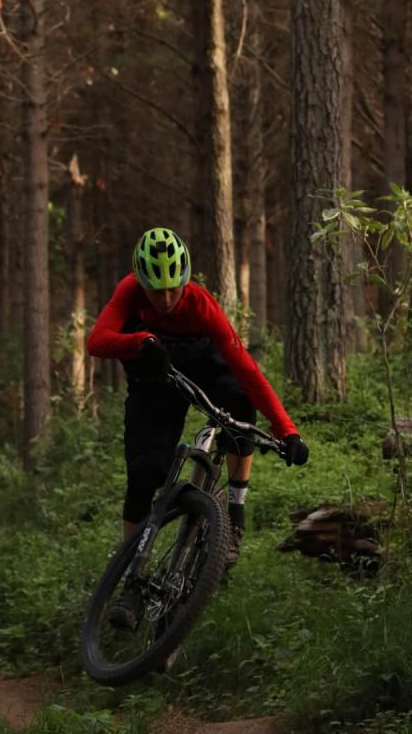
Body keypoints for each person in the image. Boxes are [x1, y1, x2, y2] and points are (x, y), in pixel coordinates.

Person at [87, 227, 308, 628]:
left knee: (240, 405)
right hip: (152, 382)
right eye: (158, 291)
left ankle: (234, 514)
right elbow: (97, 340)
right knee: (144, 475)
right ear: (142, 281)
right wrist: (140, 342)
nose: (167, 299)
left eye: (174, 289)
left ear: (185, 281)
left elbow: (248, 370)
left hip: (202, 365)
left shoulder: (201, 305)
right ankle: (132, 581)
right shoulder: (129, 292)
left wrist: (288, 430)